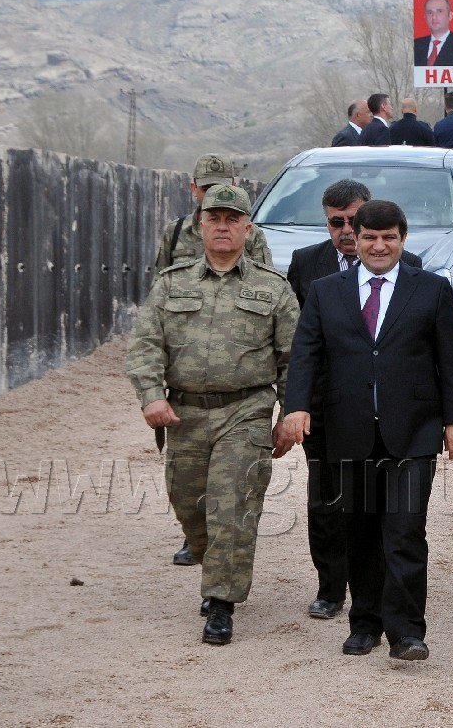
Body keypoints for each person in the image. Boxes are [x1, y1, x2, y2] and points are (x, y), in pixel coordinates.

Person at [278, 200, 453, 662]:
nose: (379, 245)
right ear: (355, 240)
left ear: (403, 239)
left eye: (389, 237)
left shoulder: (431, 290)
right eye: (370, 237)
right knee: (360, 533)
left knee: (405, 532)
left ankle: (406, 632)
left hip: (414, 432)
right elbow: (306, 355)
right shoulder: (327, 292)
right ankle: (364, 623)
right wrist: (297, 407)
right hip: (348, 430)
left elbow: (451, 360)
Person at [126, 184, 298, 646]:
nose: (222, 226)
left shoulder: (273, 288)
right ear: (200, 225)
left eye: (231, 219)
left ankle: (220, 603)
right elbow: (144, 345)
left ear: (247, 227)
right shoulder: (171, 284)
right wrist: (150, 396)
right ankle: (210, 559)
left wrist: (291, 413)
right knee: (190, 507)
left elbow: (295, 359)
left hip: (246, 411)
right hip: (182, 413)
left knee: (232, 507)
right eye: (213, 218)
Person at [285, 180, 422, 621]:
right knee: (326, 500)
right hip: (326, 407)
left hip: (382, 408)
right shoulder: (306, 266)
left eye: (352, 221)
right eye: (336, 222)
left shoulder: (407, 266)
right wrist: (296, 403)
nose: (346, 230)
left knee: (380, 506)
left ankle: (378, 587)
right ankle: (330, 586)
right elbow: (300, 342)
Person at [153, 154, 272, 568]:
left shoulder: (246, 234)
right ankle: (198, 536)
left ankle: (220, 588)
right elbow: (159, 293)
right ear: (194, 191)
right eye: (206, 189)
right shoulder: (175, 234)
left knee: (230, 494)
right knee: (185, 491)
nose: (215, 200)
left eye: (222, 187)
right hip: (187, 372)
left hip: (239, 384)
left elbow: (266, 292)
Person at [413, 0, 453, 67]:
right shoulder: (416, 45)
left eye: (439, 11)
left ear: (450, 16)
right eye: (430, 12)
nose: (434, 17)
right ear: (425, 17)